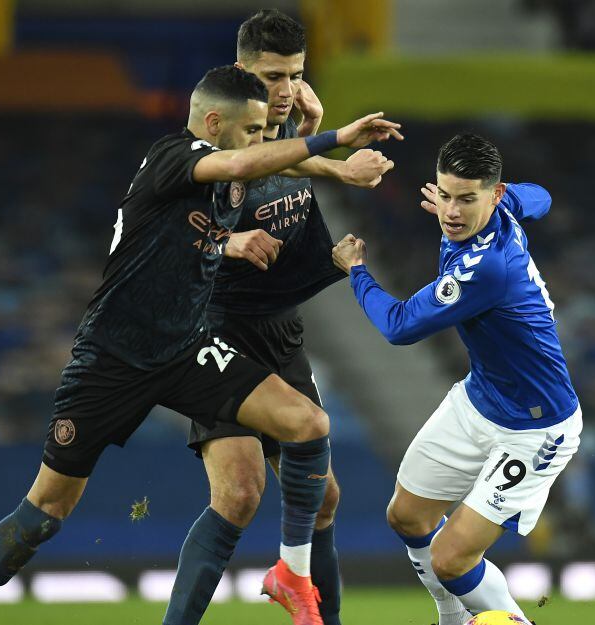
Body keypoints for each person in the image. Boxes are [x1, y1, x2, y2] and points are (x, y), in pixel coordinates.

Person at [0, 65, 401, 625]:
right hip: (111, 358)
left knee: (309, 424)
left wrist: (335, 168)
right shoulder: (174, 156)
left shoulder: (229, 170)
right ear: (212, 122)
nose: (260, 140)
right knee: (47, 512)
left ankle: (291, 570)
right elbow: (246, 161)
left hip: (185, 348)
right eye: (251, 129)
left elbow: (275, 161)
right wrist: (337, 139)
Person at [164, 11, 397, 625]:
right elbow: (159, 232)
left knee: (323, 499)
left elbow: (286, 171)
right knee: (240, 495)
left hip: (279, 328)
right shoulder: (216, 140)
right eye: (273, 76)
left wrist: (330, 155)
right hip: (215, 328)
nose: (287, 89)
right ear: (241, 72)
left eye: (296, 74)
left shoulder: (289, 123)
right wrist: (226, 241)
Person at [330, 133, 581, 625]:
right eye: (444, 194)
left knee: (450, 558)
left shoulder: (487, 268)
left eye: (466, 199)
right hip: (479, 399)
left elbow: (400, 326)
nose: (450, 211)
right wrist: (475, 203)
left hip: (534, 429)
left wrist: (357, 270)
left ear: (495, 194)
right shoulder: (505, 208)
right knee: (406, 517)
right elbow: (543, 197)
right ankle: (455, 618)